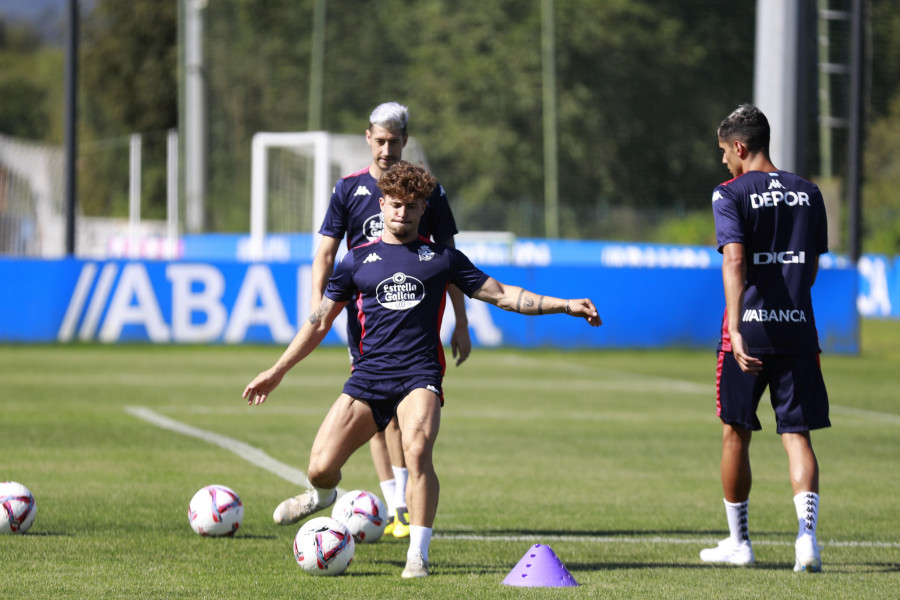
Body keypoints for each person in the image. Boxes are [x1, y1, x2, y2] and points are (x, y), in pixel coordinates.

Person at [243, 161, 601, 578]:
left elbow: (502, 294)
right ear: (382, 205)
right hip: (368, 377)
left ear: (422, 209)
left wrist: (565, 305)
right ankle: (322, 496)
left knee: (417, 452)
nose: (403, 213)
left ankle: (418, 553)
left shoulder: (442, 258)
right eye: (396, 205)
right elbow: (319, 320)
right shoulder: (356, 261)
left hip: (420, 375)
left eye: (412, 207)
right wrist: (278, 370)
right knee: (319, 468)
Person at [309, 102, 471, 538]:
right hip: (365, 319)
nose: (385, 149)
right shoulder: (348, 189)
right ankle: (396, 502)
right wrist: (315, 310)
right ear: (368, 138)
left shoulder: (428, 192)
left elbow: (450, 260)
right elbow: (326, 253)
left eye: (394, 141)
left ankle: (402, 508)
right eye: (379, 140)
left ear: (404, 142)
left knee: (405, 417)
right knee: (375, 414)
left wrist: (461, 321)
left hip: (412, 317)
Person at [701, 104, 830, 572]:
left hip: (750, 332)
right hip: (797, 328)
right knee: (798, 436)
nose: (723, 163)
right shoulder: (809, 192)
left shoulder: (729, 193)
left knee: (736, 432)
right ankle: (806, 541)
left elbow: (734, 261)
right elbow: (811, 267)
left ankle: (740, 543)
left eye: (724, 152)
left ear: (740, 147)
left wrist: (735, 327)